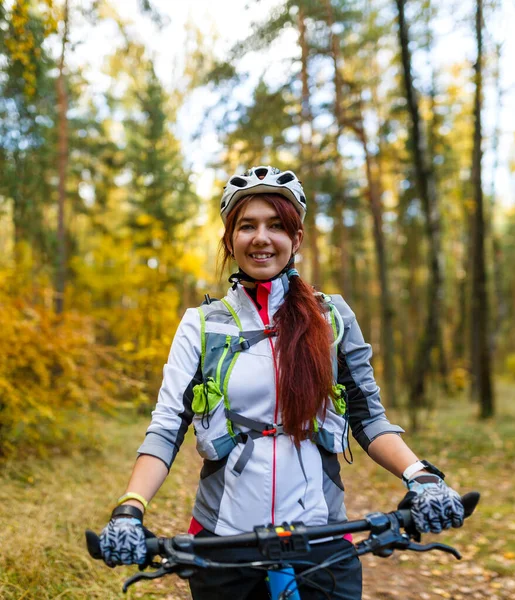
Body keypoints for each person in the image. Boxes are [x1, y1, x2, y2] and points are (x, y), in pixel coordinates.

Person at [98, 166, 465, 599]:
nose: (261, 238)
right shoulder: (201, 326)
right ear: (229, 240)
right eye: (247, 226)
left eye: (276, 225)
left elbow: (370, 419)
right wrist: (130, 508)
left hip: (321, 537)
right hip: (223, 540)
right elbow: (165, 429)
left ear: (297, 238)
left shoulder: (332, 318)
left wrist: (421, 477)